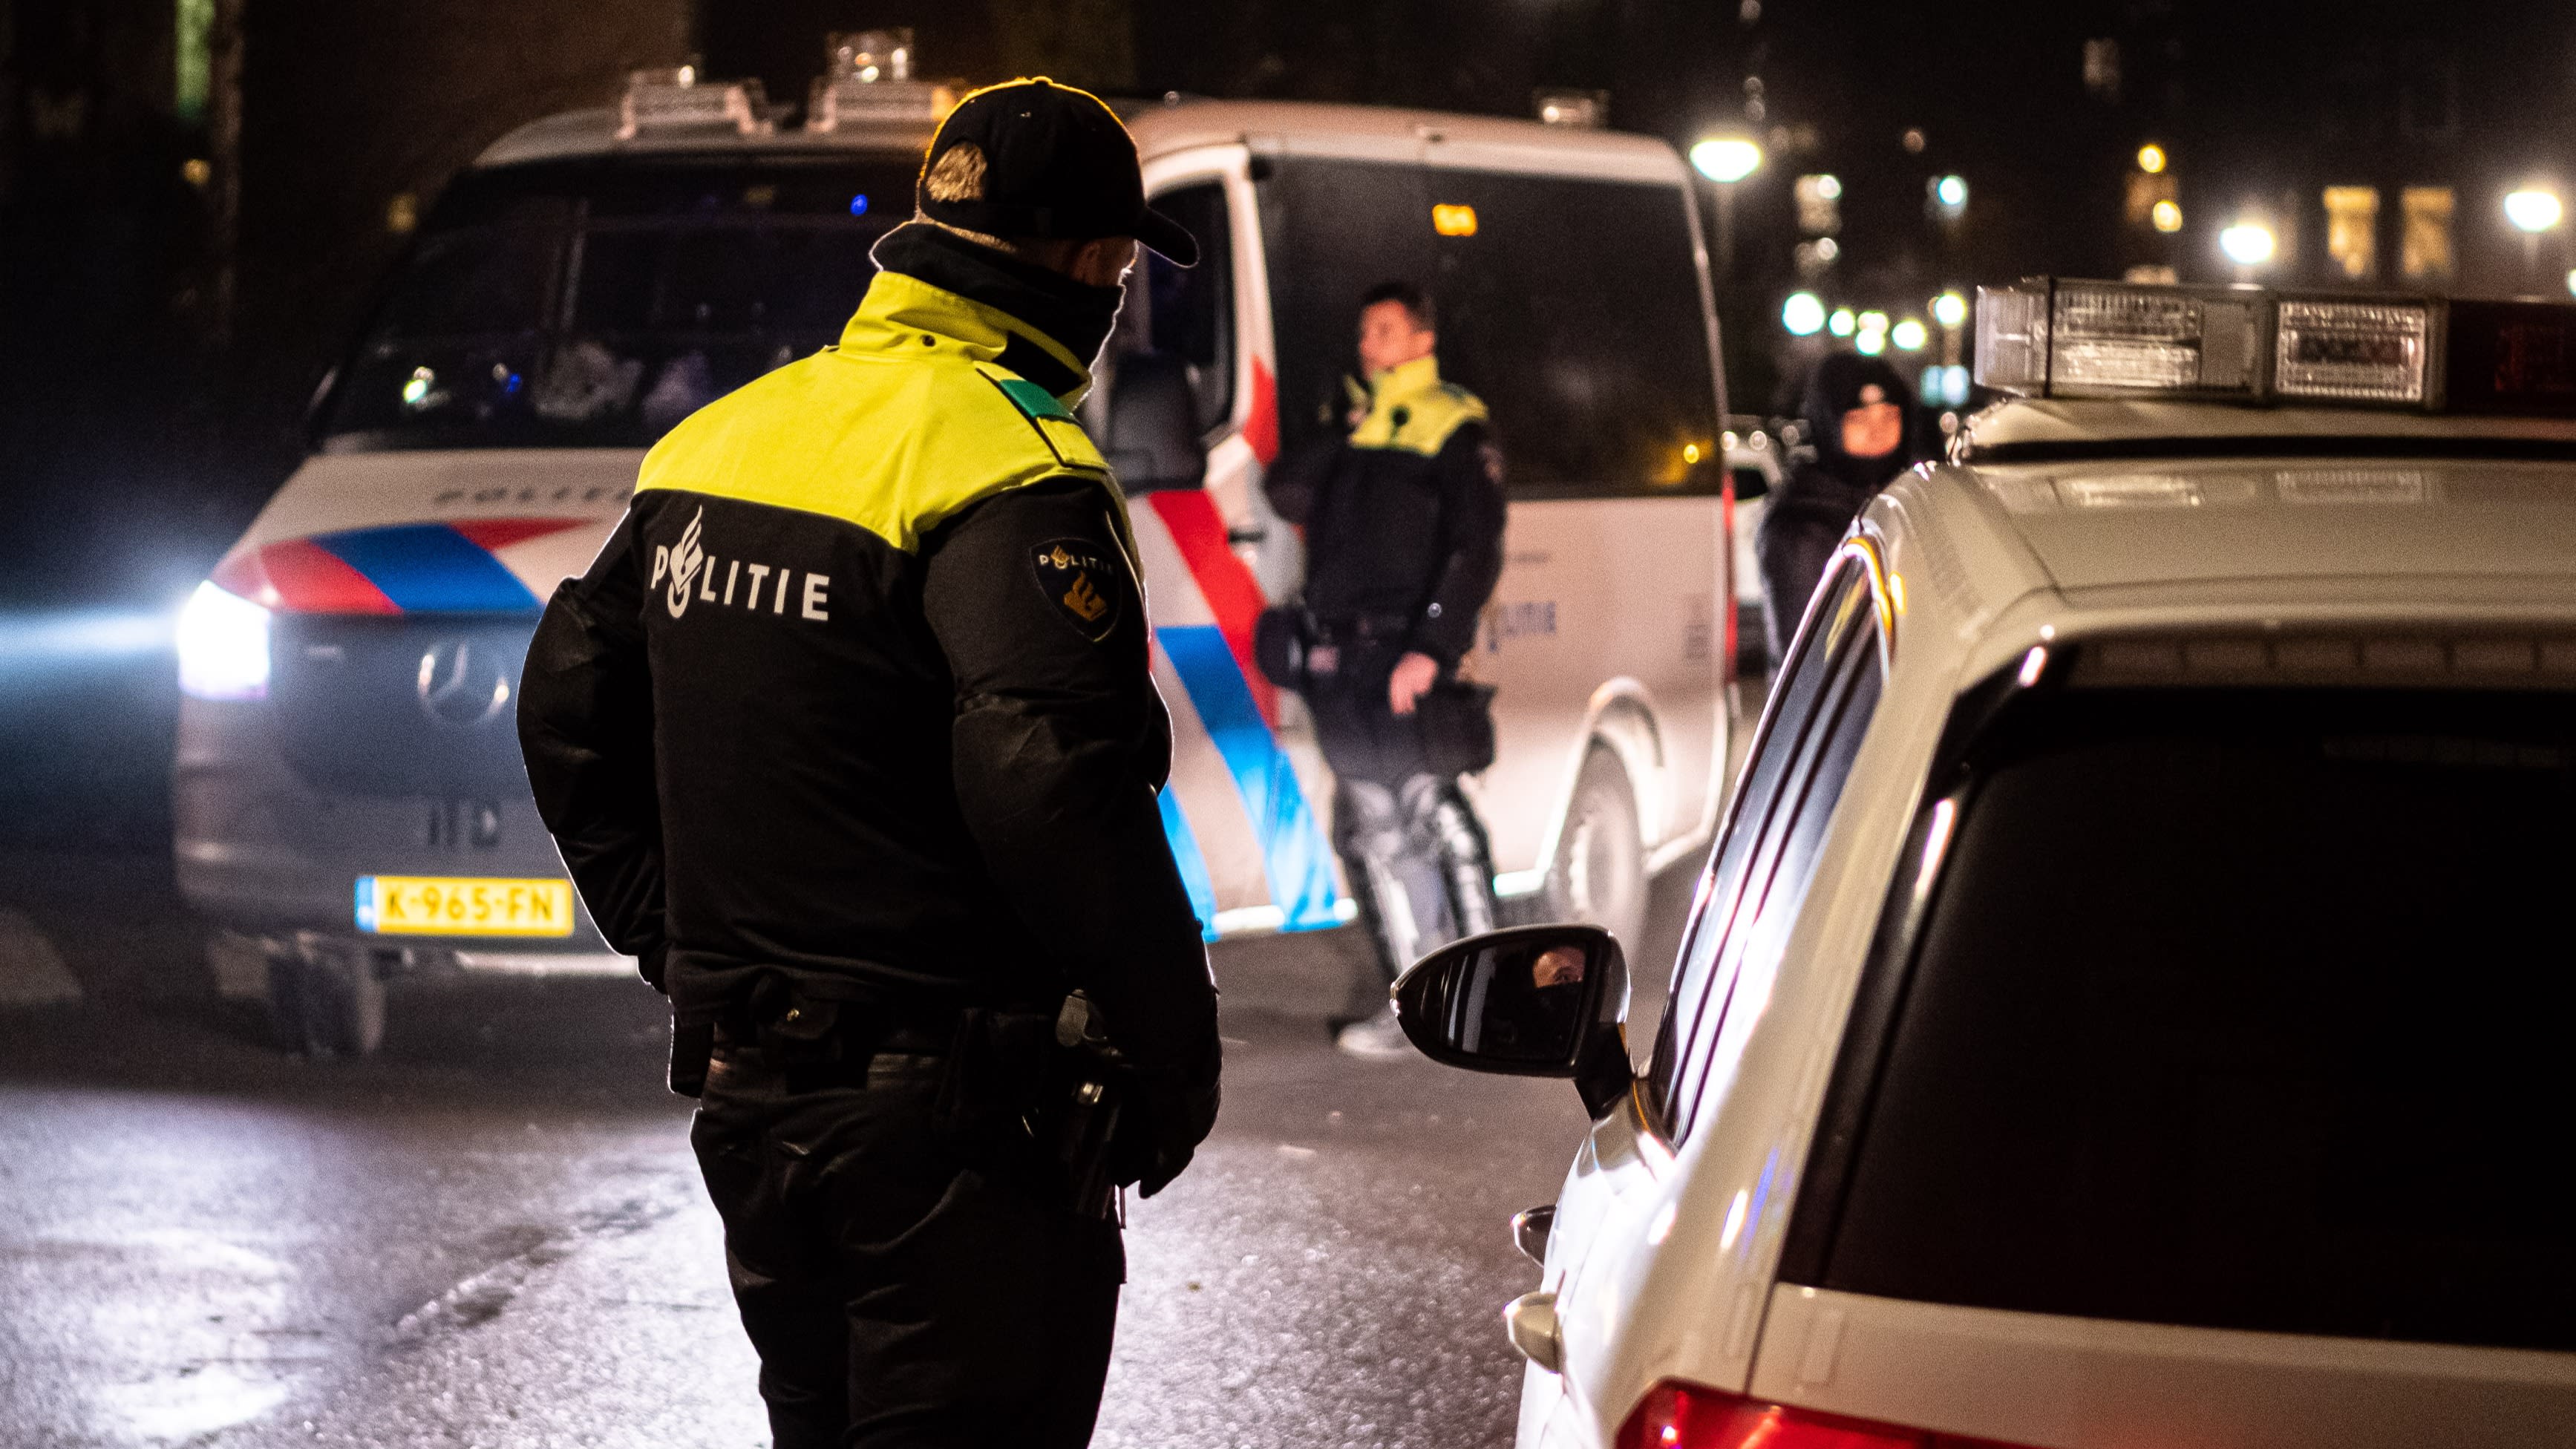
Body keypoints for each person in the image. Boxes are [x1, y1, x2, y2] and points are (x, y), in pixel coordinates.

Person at [517, 78, 1221, 1449]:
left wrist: (676, 941)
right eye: (1122, 266)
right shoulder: (1011, 470)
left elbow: (565, 709)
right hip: (957, 1137)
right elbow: (1046, 775)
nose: (1119, 292)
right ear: (1083, 266)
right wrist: (1172, 1046)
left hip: (753, 1109)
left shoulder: (719, 438)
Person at [1269, 281, 1508, 1059]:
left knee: (1430, 811)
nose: (1366, 344)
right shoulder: (1357, 420)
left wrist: (1430, 649)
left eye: (1382, 331)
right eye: (1363, 331)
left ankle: (1494, 1000)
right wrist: (1348, 427)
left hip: (1403, 653)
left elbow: (1475, 547)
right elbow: (1284, 492)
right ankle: (1414, 1006)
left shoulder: (1454, 424)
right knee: (1371, 826)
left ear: (1418, 339)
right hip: (1341, 659)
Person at [1756, 352, 1917, 663]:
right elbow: (1817, 656)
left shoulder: (1903, 502)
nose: (1877, 430)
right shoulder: (1802, 522)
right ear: (1829, 424)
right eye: (1858, 419)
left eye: (1890, 416)